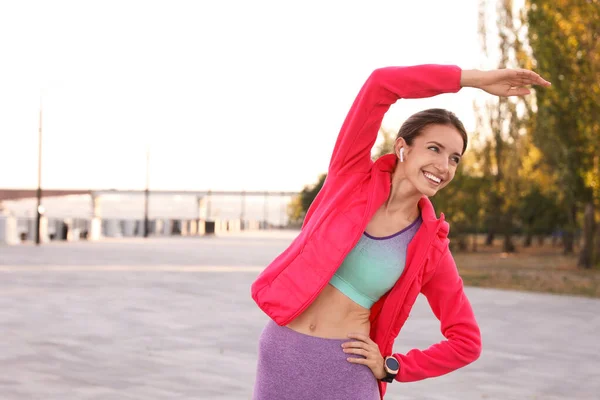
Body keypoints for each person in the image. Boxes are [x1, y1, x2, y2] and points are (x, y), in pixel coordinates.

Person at [250, 64, 551, 400]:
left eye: (455, 158)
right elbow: (381, 84)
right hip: (281, 355)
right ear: (403, 147)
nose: (444, 166)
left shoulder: (429, 246)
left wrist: (392, 366)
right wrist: (475, 81)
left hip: (346, 373)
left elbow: (466, 341)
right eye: (434, 149)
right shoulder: (348, 179)